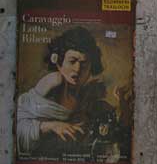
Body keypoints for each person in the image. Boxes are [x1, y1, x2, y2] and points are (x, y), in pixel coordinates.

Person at [17, 26, 109, 156]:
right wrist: (53, 126)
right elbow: (18, 122)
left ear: (91, 68)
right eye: (72, 61)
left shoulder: (82, 94)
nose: (77, 69)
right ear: (59, 63)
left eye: (84, 64)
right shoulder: (55, 80)